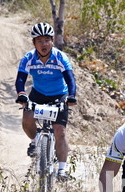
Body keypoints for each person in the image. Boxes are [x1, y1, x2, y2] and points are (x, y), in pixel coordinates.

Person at [15, 22, 77, 181]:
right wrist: (21, 94)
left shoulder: (60, 57)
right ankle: (35, 142)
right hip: (39, 94)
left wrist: (71, 96)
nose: (44, 44)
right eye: (40, 41)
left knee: (60, 131)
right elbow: (20, 79)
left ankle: (62, 171)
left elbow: (70, 80)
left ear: (52, 41)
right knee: (27, 117)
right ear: (33, 43)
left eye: (47, 40)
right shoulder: (28, 58)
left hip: (59, 96)